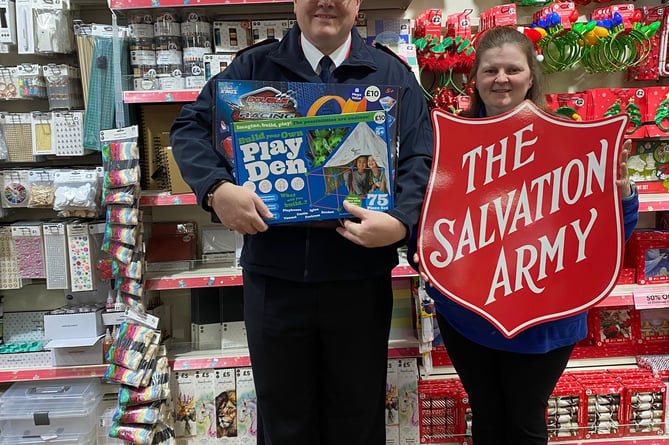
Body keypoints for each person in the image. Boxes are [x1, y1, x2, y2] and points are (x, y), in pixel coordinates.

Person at [169, 0, 434, 443]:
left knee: (358, 414)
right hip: (275, 280)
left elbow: (419, 157)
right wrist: (216, 189)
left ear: (358, 3)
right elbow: (189, 129)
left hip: (359, 280)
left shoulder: (391, 75)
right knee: (284, 418)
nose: (327, 2)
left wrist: (402, 223)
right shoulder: (253, 66)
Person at [408, 26, 639, 445]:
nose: (502, 78)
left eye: (513, 69)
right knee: (488, 416)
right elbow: (424, 215)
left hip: (546, 316)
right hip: (468, 312)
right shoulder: (448, 139)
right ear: (474, 78)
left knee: (526, 422)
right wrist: (420, 251)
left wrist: (621, 191)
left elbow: (610, 235)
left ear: (531, 76)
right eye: (490, 70)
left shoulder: (570, 138)